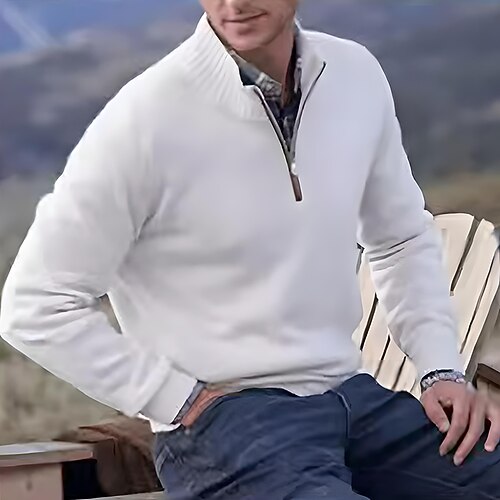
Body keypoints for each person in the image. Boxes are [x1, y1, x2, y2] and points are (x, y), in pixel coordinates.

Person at [1, 0, 500, 498]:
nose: (234, 3)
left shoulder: (354, 76)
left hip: (354, 400)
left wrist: (440, 368)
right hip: (228, 425)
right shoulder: (144, 120)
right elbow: (34, 304)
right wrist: (174, 399)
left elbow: (401, 238)